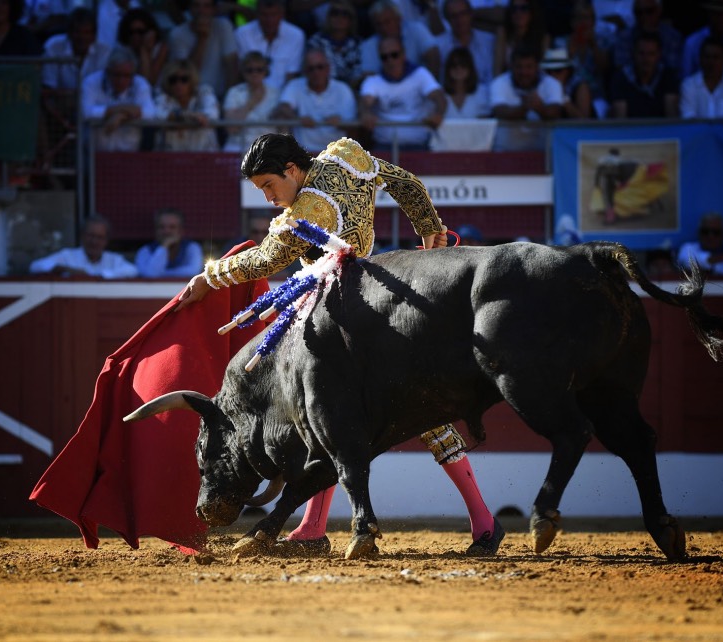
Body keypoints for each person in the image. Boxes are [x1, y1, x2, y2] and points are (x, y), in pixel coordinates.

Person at [175, 132, 505, 556]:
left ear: (291, 170)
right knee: (390, 414)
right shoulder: (346, 158)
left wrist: (209, 276)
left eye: (269, 187)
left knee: (325, 414)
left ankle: (317, 526)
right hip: (374, 296)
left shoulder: (307, 209)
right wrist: (430, 234)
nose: (269, 198)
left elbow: (267, 260)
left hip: (334, 317)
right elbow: (405, 182)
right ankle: (479, 520)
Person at [359, 35, 447, 151]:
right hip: (385, 147)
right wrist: (365, 113)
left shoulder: (420, 74)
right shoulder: (373, 81)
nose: (390, 60)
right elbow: (365, 101)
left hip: (418, 147)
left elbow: (439, 96)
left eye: (394, 55)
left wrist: (438, 114)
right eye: (384, 57)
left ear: (403, 54)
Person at [271, 47, 358, 153]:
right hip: (303, 154)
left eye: (320, 67)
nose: (316, 72)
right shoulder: (295, 85)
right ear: (305, 72)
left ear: (328, 69)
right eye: (311, 68)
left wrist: (340, 123)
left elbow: (354, 126)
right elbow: (282, 108)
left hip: (336, 154)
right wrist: (298, 118)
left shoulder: (343, 89)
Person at [81, 45, 156, 152]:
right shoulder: (91, 82)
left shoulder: (140, 84)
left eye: (126, 76)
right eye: (117, 75)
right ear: (107, 71)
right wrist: (123, 110)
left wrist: (121, 115)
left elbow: (151, 113)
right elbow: (86, 112)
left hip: (129, 153)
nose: (121, 81)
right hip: (95, 153)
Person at [489, 44, 562, 151]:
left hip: (542, 152)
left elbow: (555, 112)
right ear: (511, 66)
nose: (524, 72)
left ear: (537, 67)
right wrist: (524, 107)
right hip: (505, 151)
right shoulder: (499, 83)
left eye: (529, 67)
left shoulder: (552, 84)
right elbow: (500, 112)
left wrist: (540, 108)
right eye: (519, 67)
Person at [168, 0, 238, 101]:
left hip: (221, 96)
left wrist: (229, 99)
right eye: (196, 5)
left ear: (214, 9)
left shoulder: (224, 26)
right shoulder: (177, 34)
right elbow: (186, 74)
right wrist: (202, 38)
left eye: (207, 6)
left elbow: (232, 66)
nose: (201, 11)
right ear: (190, 9)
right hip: (190, 99)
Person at [29, 215, 139, 279]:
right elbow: (35, 266)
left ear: (106, 240)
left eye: (99, 237)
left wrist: (100, 275)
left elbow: (133, 271)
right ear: (82, 236)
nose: (94, 241)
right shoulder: (68, 256)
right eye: (90, 235)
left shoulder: (114, 259)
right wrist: (65, 269)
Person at [359, 0, 441, 80]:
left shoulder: (417, 30)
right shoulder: (368, 46)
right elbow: (369, 76)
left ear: (399, 19)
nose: (383, 28)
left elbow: (433, 56)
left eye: (387, 22)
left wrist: (429, 84)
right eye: (378, 24)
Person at [234, 0, 305, 91]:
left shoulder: (296, 35)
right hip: (251, 94)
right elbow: (243, 74)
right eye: (264, 15)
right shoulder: (242, 34)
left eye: (274, 15)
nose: (269, 20)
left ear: (282, 14)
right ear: (257, 14)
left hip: (283, 97)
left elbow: (291, 77)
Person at [153, 58, 221, 152]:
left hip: (203, 155)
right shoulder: (161, 96)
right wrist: (188, 116)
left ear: (192, 80)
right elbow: (158, 116)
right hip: (170, 158)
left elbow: (212, 115)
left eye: (184, 79)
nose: (178, 84)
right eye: (173, 80)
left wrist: (175, 122)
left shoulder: (205, 92)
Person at [610, 30, 680, 118]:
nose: (646, 59)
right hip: (631, 130)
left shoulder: (668, 77)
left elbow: (672, 118)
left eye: (651, 54)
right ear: (633, 54)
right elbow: (620, 121)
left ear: (659, 55)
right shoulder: (621, 78)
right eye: (641, 53)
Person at [222, 50, 280, 153]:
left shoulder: (276, 93)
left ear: (265, 71)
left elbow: (283, 128)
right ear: (243, 72)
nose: (255, 73)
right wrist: (251, 103)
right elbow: (231, 128)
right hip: (238, 147)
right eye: (250, 70)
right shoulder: (234, 92)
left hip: (268, 149)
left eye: (259, 69)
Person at [41, 7, 110, 91]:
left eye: (87, 32)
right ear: (69, 33)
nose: (82, 37)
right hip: (58, 103)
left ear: (94, 35)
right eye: (77, 31)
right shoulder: (53, 47)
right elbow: (48, 88)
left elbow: (101, 90)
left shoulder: (104, 52)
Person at [680, 34, 723, 118]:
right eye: (707, 57)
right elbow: (689, 119)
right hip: (698, 131)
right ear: (700, 59)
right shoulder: (689, 85)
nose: (711, 62)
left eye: (716, 57)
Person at [611, 0, 684, 74]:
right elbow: (621, 69)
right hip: (631, 83)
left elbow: (672, 69)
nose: (644, 16)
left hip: (664, 83)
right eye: (639, 12)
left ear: (659, 10)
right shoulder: (624, 37)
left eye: (649, 11)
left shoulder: (672, 36)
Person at [435, 0, 497, 85]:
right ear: (447, 19)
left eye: (462, 14)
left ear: (470, 14)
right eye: (454, 16)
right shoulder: (438, 45)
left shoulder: (489, 41)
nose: (459, 19)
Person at [306, 0, 363, 90]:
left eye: (345, 14)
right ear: (328, 17)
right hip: (319, 90)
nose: (339, 17)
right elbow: (311, 70)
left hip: (349, 92)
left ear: (351, 19)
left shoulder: (358, 44)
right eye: (335, 13)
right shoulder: (316, 41)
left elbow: (358, 75)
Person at [134, 208, 205, 278]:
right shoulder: (145, 251)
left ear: (181, 230)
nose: (167, 231)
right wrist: (164, 246)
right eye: (161, 227)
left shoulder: (192, 247)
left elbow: (193, 271)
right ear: (156, 230)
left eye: (172, 227)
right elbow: (151, 274)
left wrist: (162, 273)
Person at [676, 212, 723, 277]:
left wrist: (705, 267)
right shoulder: (688, 248)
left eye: (716, 232)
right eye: (705, 231)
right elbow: (688, 264)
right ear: (699, 232)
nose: (710, 236)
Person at [493, 0, 549, 75]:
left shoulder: (543, 37)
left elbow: (543, 71)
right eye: (514, 9)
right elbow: (497, 68)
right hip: (508, 81)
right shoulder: (503, 33)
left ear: (531, 12)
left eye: (524, 8)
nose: (518, 12)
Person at [116, 7, 168, 87]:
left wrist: (145, 50)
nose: (136, 36)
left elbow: (148, 83)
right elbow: (141, 85)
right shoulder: (123, 51)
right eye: (131, 32)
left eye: (140, 32)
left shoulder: (161, 49)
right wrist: (144, 51)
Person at [541, 46, 593, 118]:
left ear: (568, 71)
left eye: (557, 70)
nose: (553, 75)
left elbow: (584, 121)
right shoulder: (542, 84)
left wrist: (564, 100)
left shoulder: (580, 86)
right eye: (548, 71)